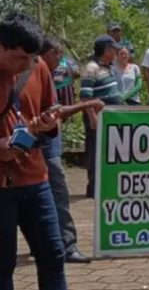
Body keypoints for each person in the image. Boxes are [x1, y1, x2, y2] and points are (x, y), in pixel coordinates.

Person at [0, 13, 66, 289]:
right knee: (3, 266)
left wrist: (50, 123)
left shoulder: (37, 67)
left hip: (36, 180)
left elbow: (51, 109)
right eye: (20, 58)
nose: (28, 64)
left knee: (53, 256)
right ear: (2, 46)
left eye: (32, 58)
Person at [40, 37, 105, 264]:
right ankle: (67, 245)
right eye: (58, 55)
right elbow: (56, 112)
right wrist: (86, 105)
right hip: (45, 148)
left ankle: (47, 243)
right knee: (59, 195)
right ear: (48, 53)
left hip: (45, 146)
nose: (60, 59)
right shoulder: (39, 73)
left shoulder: (44, 74)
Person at [80, 35, 124, 198]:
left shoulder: (107, 67)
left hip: (110, 119)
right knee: (94, 152)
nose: (116, 53)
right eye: (114, 50)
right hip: (97, 118)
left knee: (107, 152)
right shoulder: (91, 68)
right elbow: (85, 97)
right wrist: (92, 117)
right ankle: (93, 187)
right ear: (106, 50)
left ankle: (104, 184)